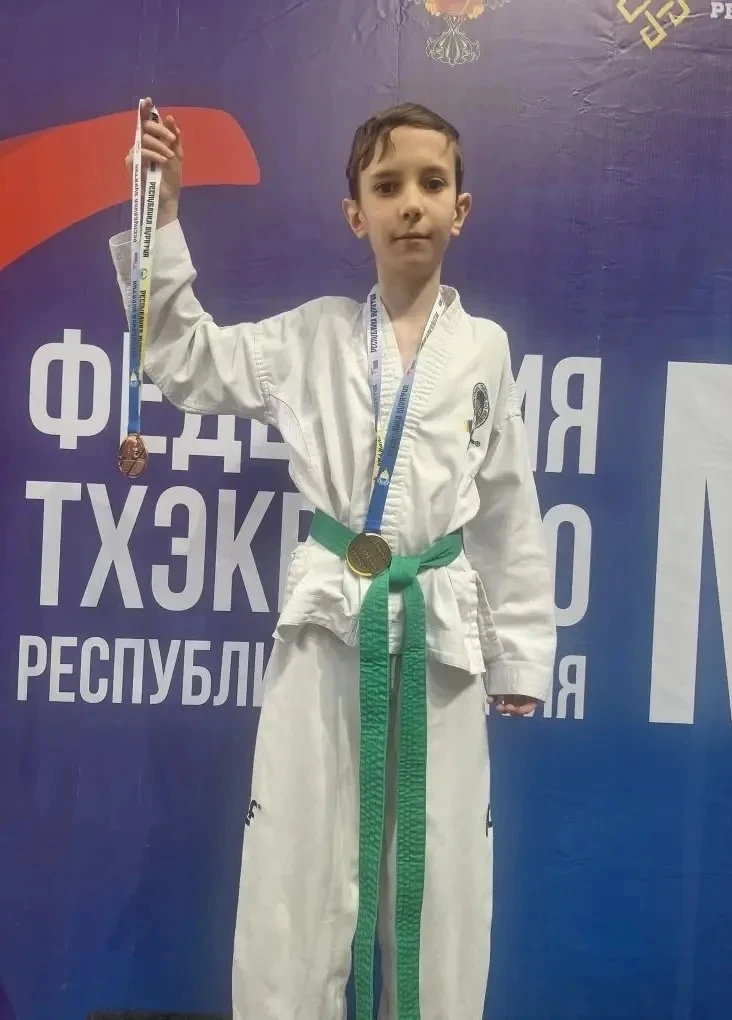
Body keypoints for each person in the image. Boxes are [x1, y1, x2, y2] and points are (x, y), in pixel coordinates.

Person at [109, 97, 557, 1020]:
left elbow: (508, 504)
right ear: (356, 213)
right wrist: (164, 212)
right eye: (386, 187)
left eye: (431, 183)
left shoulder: (485, 350)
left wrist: (517, 651)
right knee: (296, 863)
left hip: (435, 635)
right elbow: (181, 357)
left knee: (437, 874)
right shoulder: (310, 336)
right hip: (326, 625)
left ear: (461, 207)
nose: (410, 204)